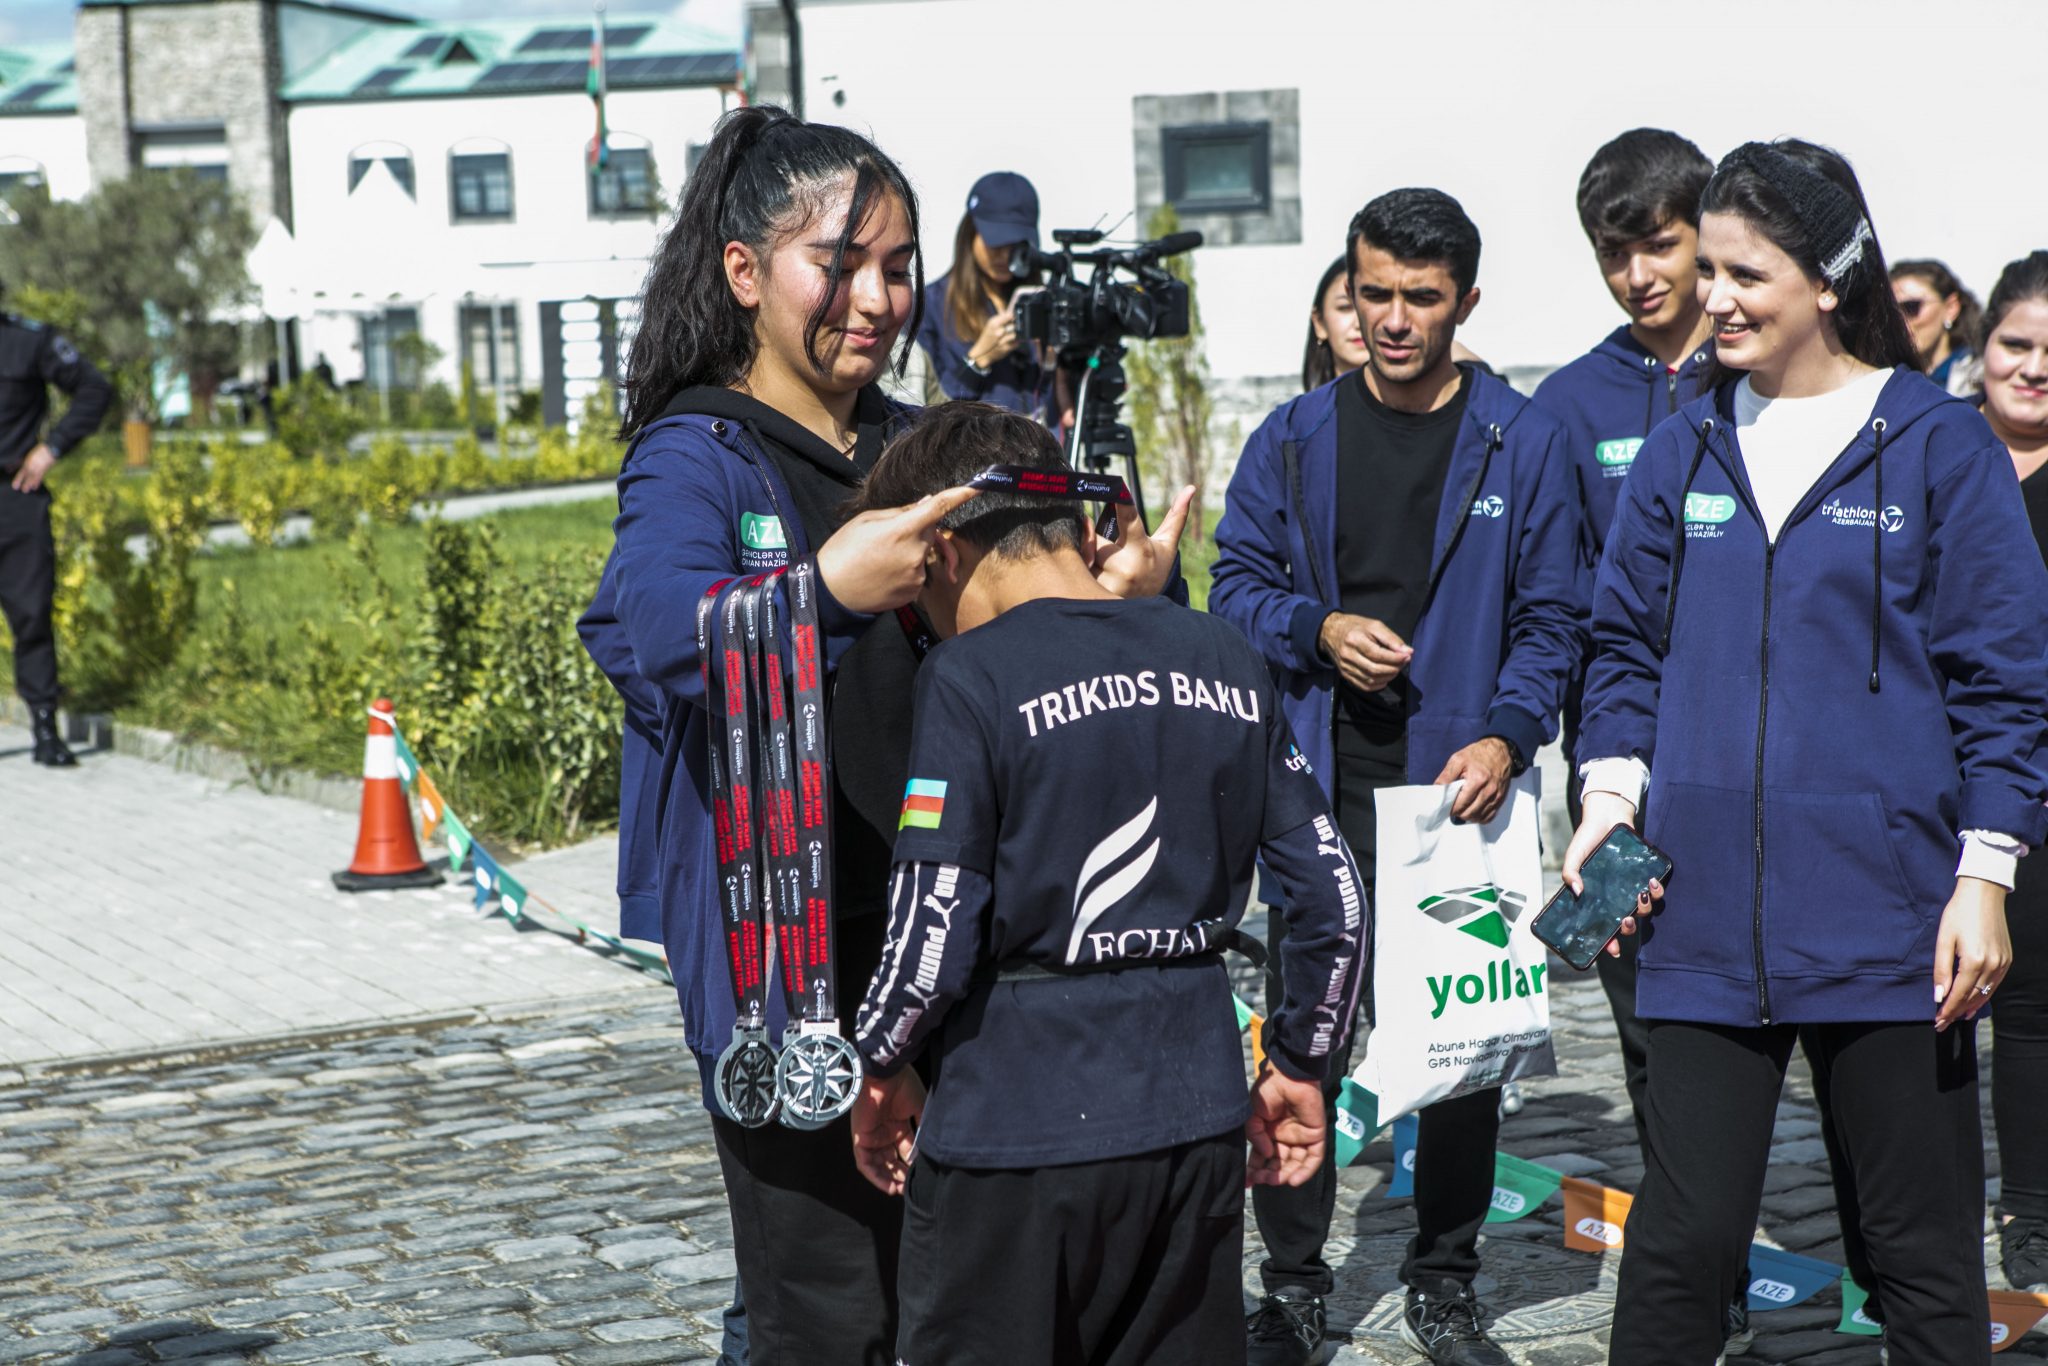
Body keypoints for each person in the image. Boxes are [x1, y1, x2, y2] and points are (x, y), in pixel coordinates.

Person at [597, 104, 1186, 1364]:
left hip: (946, 938)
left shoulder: (920, 445)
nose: (874, 299)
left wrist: (1119, 598)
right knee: (826, 1314)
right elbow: (655, 630)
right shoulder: (694, 457)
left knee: (967, 1294)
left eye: (896, 266)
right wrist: (819, 593)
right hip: (791, 956)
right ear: (745, 272)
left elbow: (1032, 618)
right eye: (838, 263)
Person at [1567, 139, 2048, 1366]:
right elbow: (1619, 649)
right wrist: (1608, 797)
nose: (1713, 298)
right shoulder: (1681, 447)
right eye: (1708, 270)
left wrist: (1984, 875)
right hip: (1699, 914)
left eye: (1745, 274)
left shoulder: (1937, 446)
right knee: (1678, 1244)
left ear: (1827, 282)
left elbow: (2005, 684)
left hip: (1890, 917)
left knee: (1916, 1253)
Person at [845, 401, 1364, 1365]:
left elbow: (933, 926)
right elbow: (1334, 896)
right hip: (1194, 1115)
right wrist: (1302, 1062)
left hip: (1014, 1128)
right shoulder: (1220, 651)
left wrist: (877, 1063)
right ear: (1075, 527)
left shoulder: (968, 677)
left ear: (943, 550)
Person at [1212, 188, 1583, 1366]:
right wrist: (1315, 629)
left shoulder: (1521, 439)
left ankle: (1443, 1283)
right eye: (1372, 292)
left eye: (1419, 297)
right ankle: (1291, 1286)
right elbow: (1231, 588)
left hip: (1456, 802)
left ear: (1463, 301)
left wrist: (1508, 734)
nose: (1391, 318)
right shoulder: (1292, 438)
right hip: (1314, 799)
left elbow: (1552, 617)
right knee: (1302, 1045)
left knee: (1461, 1062)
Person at [1973, 249, 2048, 1296]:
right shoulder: (1934, 450)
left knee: (2032, 1008)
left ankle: (2031, 1211)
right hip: (1934, 776)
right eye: (2016, 344)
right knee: (1929, 1009)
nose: (2034, 368)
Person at [0, 281, 112, 768]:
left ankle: (45, 728)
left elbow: (94, 388)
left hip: (15, 496)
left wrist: (52, 448)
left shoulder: (29, 340)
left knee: (31, 614)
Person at [913, 172, 1051, 419]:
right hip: (969, 444)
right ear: (970, 233)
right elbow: (920, 410)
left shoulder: (1039, 301)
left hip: (1039, 442)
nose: (1004, 256)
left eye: (1016, 246)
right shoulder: (927, 307)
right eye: (995, 242)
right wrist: (978, 360)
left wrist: (1055, 365)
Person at [1891, 258, 1982, 396]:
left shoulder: (1981, 378)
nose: (1900, 321)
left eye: (1911, 307)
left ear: (1951, 308)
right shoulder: (1886, 380)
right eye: (1891, 313)